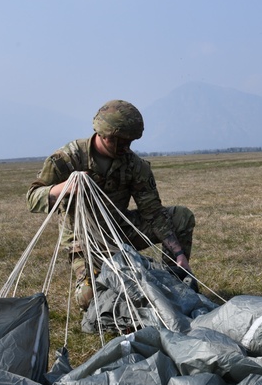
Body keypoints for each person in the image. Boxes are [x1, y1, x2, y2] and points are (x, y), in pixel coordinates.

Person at [27, 99, 196, 308]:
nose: (125, 147)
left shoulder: (135, 165)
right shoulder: (68, 159)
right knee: (91, 298)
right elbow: (32, 197)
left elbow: (153, 213)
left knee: (180, 216)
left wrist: (179, 255)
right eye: (119, 141)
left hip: (119, 230)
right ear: (103, 133)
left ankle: (173, 283)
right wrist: (64, 189)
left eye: (130, 142)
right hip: (84, 241)